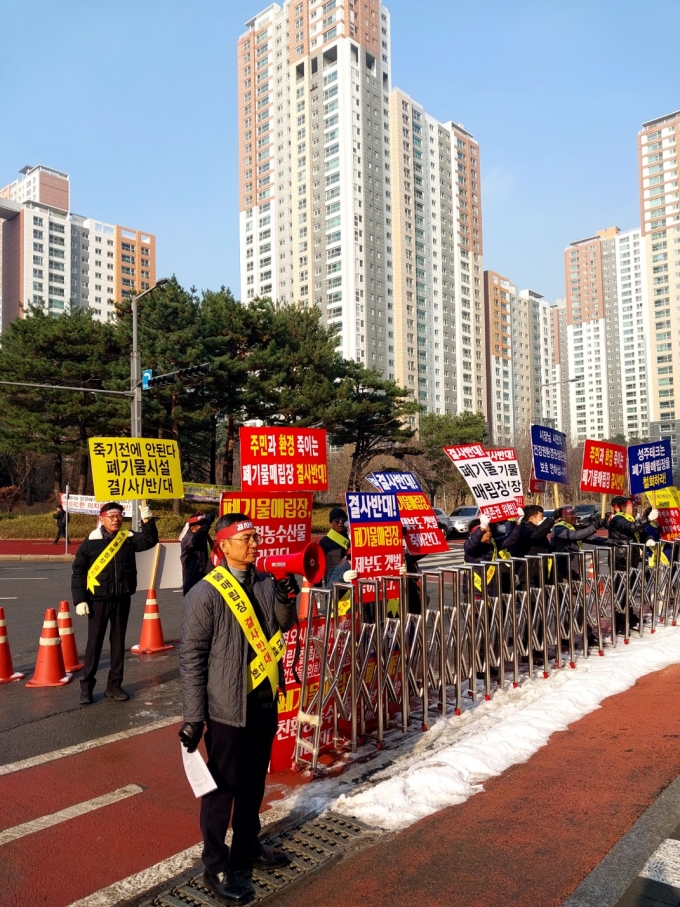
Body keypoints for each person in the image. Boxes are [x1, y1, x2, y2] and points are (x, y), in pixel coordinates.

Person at [179, 513, 300, 906]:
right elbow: (192, 658)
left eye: (255, 537)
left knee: (253, 783)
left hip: (263, 698)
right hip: (226, 708)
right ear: (224, 545)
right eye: (245, 538)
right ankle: (215, 863)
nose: (254, 544)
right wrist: (194, 716)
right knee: (221, 790)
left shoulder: (265, 581)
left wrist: (285, 596)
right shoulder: (206, 593)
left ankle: (247, 845)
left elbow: (285, 625)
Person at [72, 501, 158, 705]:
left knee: (118, 644)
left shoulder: (127, 538)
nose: (116, 519)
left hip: (122, 598)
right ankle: (86, 688)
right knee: (94, 644)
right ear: (101, 519)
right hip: (97, 601)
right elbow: (78, 572)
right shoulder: (90, 542)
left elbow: (149, 541)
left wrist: (148, 521)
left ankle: (114, 685)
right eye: (111, 516)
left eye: (119, 515)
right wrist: (80, 600)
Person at [180, 511, 214, 595]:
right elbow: (196, 539)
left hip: (206, 579)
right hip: (192, 583)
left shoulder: (205, 537)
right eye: (201, 525)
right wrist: (206, 525)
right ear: (193, 528)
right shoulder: (187, 539)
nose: (205, 528)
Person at [319, 506, 350, 583]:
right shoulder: (324, 542)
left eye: (343, 520)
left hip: (350, 578)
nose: (340, 522)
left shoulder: (352, 538)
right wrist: (317, 586)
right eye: (337, 520)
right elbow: (318, 565)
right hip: (333, 581)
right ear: (331, 523)